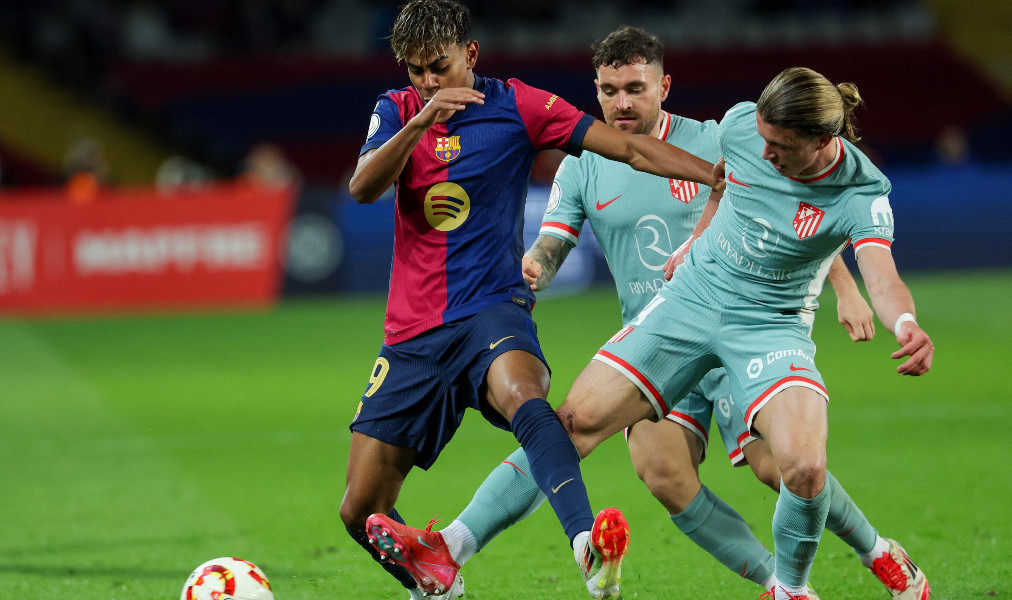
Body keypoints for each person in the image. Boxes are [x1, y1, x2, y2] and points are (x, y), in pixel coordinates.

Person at [420, 28, 926, 600]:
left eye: (635, 88)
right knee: (632, 457)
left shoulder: (727, 140)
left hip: (764, 323)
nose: (621, 102)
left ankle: (874, 550)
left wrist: (853, 292)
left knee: (786, 468)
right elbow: (566, 238)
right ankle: (451, 548)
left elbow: (799, 220)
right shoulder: (596, 161)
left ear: (664, 86)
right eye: (609, 90)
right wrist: (538, 263)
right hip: (680, 310)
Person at [340, 3, 719, 600]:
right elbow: (363, 187)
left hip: (490, 307)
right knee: (360, 511)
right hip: (412, 332)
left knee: (525, 396)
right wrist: (421, 121)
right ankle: (436, 583)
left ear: (470, 54)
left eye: (439, 66)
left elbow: (629, 150)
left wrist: (716, 176)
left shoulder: (520, 105)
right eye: (416, 71)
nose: (429, 81)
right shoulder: (396, 109)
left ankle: (585, 544)